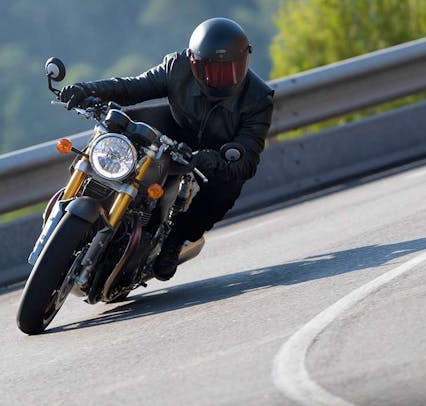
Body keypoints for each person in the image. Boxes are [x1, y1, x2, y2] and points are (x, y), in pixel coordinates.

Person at [59, 18, 274, 280]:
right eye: (210, 70)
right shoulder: (177, 67)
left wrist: (216, 160)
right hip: (174, 131)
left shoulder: (258, 98)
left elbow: (248, 156)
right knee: (122, 124)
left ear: (244, 61)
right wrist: (87, 90)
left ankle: (175, 241)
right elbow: (132, 87)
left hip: (213, 153)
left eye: (228, 70)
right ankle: (91, 193)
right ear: (194, 62)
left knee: (228, 186)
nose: (219, 79)